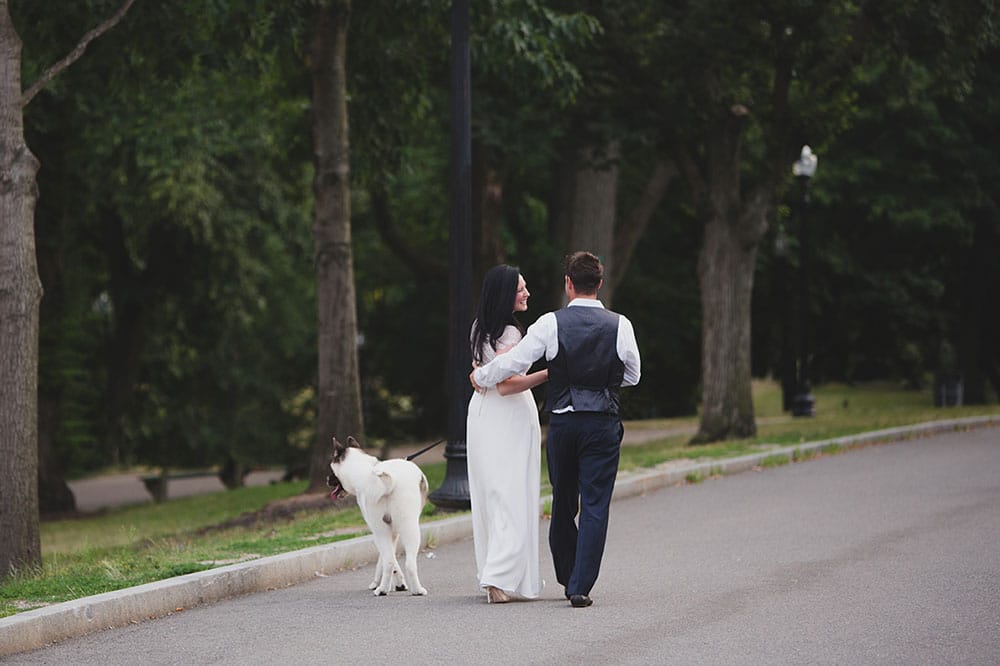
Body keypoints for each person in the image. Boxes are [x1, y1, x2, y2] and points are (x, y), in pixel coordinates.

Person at [470, 251, 640, 608]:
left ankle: (567, 571)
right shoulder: (620, 324)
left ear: (568, 284)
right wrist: (601, 382)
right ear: (600, 284)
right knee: (595, 504)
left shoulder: (549, 323)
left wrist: (479, 376)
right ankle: (579, 584)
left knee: (563, 501)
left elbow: (513, 363)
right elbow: (632, 375)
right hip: (603, 423)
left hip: (564, 421)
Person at [467, 264, 549, 604]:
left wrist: (480, 376)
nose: (527, 293)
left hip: (481, 414)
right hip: (510, 415)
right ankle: (498, 577)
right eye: (520, 289)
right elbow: (507, 385)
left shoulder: (478, 329)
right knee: (513, 494)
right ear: (504, 295)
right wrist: (549, 374)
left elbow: (484, 377)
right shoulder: (513, 334)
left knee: (491, 493)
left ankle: (493, 571)